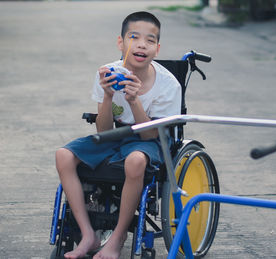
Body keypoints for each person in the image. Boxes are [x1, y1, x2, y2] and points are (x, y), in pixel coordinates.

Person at [55, 11, 181, 259]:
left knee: (135, 161)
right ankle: (88, 233)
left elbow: (149, 137)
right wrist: (108, 96)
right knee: (63, 156)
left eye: (150, 40)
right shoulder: (107, 73)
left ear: (157, 48)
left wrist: (134, 101)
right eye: (134, 37)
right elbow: (104, 131)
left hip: (151, 138)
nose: (142, 44)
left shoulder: (168, 85)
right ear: (121, 43)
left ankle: (118, 236)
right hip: (116, 135)